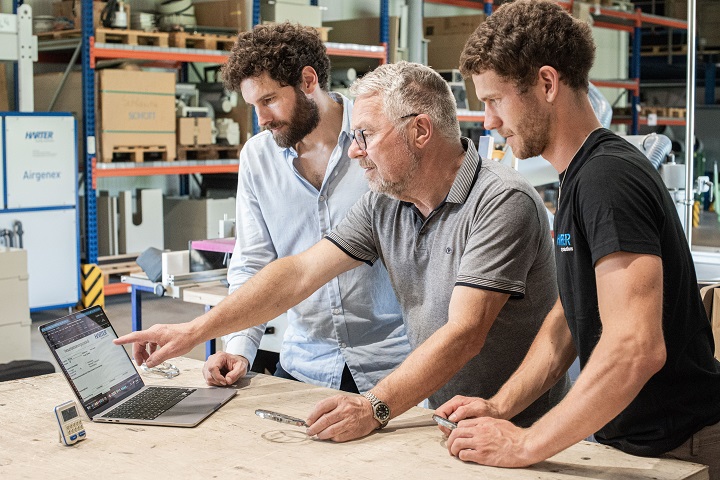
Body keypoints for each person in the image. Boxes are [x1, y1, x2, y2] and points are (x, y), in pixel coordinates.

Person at [115, 61, 569, 442]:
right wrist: (194, 331)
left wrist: (375, 407)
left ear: (421, 131)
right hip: (447, 421)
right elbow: (299, 274)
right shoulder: (385, 203)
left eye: (366, 135)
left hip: (528, 427)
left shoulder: (501, 201)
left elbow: (466, 331)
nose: (354, 152)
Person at [436, 1, 720, 477]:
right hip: (636, 443)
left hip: (679, 450)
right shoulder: (579, 176)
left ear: (547, 83)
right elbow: (572, 315)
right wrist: (500, 405)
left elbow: (635, 347)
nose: (488, 121)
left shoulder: (606, 179)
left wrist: (525, 445)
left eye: (495, 100)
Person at [203, 22, 411, 394]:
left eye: (268, 100)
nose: (261, 119)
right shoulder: (257, 157)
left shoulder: (378, 142)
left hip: (393, 364)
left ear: (308, 80)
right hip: (306, 363)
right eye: (254, 106)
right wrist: (239, 348)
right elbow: (252, 263)